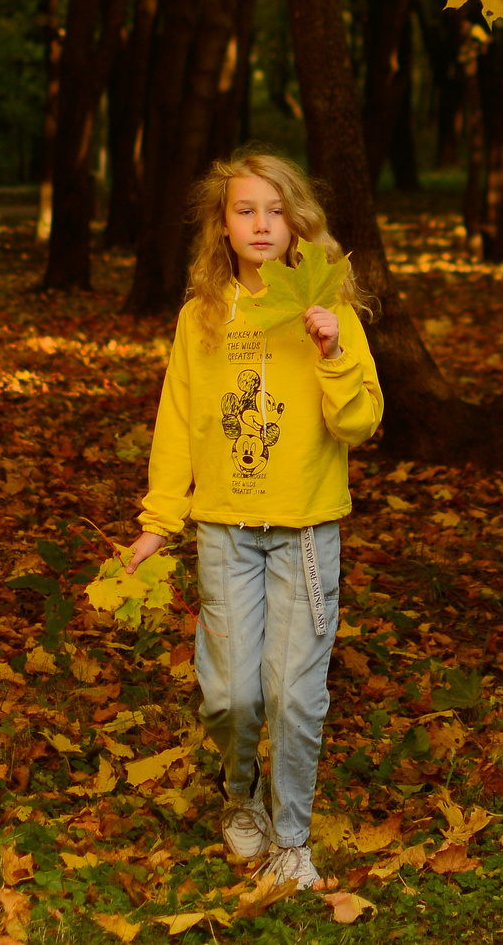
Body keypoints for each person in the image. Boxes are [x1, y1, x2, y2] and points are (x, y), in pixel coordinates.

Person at [123, 150, 383, 892]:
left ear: (298, 220)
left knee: (294, 694)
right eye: (246, 210)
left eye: (275, 209)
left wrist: (331, 348)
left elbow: (361, 422)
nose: (262, 223)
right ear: (223, 226)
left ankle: (292, 837)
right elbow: (177, 421)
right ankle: (242, 797)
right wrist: (158, 519)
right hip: (224, 529)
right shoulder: (200, 317)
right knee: (231, 693)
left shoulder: (325, 305)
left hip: (305, 530)